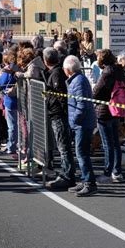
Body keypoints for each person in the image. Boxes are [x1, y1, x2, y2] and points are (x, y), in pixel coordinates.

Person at [63, 55, 97, 197]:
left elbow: (82, 104)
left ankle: (89, 183)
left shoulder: (78, 81)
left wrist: (74, 120)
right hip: (81, 123)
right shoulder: (77, 80)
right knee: (80, 153)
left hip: (82, 123)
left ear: (68, 70)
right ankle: (84, 180)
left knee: (82, 153)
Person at [42, 48, 76, 189]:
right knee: (63, 147)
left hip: (59, 115)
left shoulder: (56, 74)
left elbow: (61, 96)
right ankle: (66, 174)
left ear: (45, 60)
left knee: (63, 147)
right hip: (59, 114)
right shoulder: (56, 72)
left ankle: (68, 176)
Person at [93, 49, 125, 184]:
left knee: (108, 144)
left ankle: (107, 173)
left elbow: (96, 92)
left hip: (104, 110)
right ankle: (117, 172)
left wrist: (93, 90)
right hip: (116, 110)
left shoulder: (107, 72)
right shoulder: (119, 70)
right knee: (115, 143)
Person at [0, 51, 19, 159]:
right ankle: (15, 145)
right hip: (19, 100)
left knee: (12, 125)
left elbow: (0, 84)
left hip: (10, 100)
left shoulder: (7, 71)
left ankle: (12, 146)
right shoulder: (19, 69)